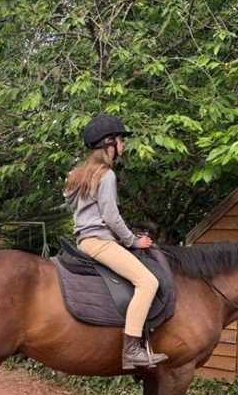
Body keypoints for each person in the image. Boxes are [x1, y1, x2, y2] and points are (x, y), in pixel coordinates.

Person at [64, 114, 167, 370]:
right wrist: (133, 241)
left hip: (84, 241)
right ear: (109, 143)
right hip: (100, 242)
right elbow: (110, 216)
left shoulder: (78, 175)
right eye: (120, 140)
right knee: (148, 282)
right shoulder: (106, 175)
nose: (123, 145)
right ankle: (132, 350)